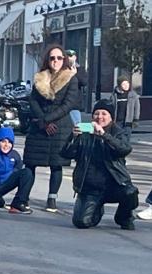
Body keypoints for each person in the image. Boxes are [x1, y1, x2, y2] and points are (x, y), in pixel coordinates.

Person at [61, 102, 139, 230]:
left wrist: (104, 135)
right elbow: (66, 154)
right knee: (82, 223)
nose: (99, 117)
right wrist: (73, 137)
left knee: (130, 193)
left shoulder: (118, 132)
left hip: (114, 185)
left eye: (104, 114)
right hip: (91, 188)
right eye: (96, 113)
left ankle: (124, 217)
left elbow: (124, 149)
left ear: (111, 118)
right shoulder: (85, 132)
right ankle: (96, 209)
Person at [23, 45, 81, 214]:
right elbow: (32, 101)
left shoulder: (71, 79)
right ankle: (23, 197)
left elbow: (68, 104)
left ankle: (52, 198)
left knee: (56, 165)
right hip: (39, 125)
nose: (55, 61)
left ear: (64, 60)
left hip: (60, 126)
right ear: (47, 60)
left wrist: (48, 119)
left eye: (59, 58)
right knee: (30, 163)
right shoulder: (40, 78)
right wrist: (42, 122)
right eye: (52, 58)